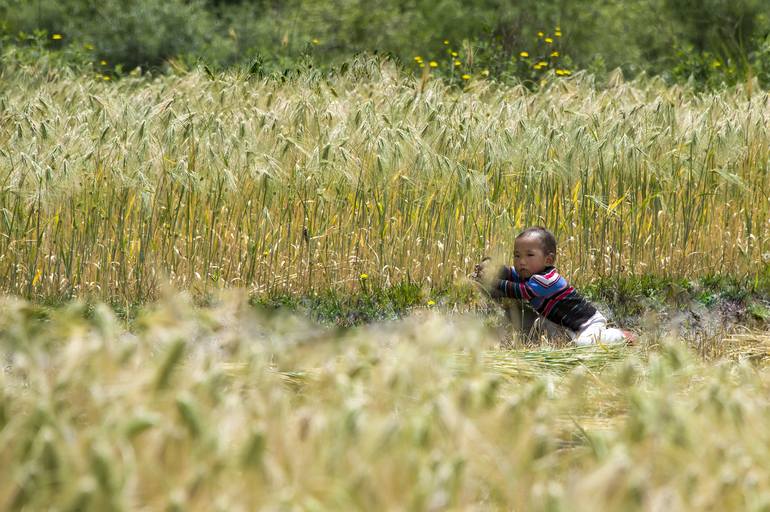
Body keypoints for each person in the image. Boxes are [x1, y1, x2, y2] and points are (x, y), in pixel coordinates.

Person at [474, 226, 633, 346]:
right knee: (558, 339)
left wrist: (493, 281)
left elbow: (522, 291)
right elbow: (511, 273)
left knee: (583, 345)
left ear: (548, 260)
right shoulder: (529, 273)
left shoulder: (548, 279)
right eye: (517, 255)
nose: (521, 261)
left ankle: (620, 336)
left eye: (529, 255)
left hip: (588, 323)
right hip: (565, 324)